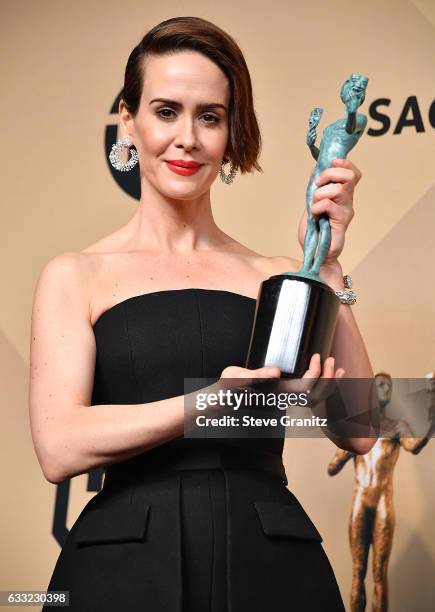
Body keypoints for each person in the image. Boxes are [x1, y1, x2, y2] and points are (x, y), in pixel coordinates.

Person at [29, 16, 376, 612]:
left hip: (270, 559)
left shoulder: (277, 274)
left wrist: (330, 269)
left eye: (209, 116)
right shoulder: (75, 274)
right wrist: (203, 406)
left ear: (229, 133)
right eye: (166, 111)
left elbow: (361, 425)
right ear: (127, 121)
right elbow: (59, 447)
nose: (187, 137)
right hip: (123, 564)